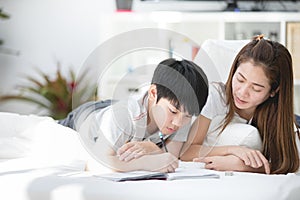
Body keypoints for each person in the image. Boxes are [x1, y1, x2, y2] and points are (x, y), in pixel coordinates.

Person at [59, 58, 208, 173]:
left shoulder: (181, 114)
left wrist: (152, 148)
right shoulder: (123, 116)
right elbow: (94, 163)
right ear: (153, 93)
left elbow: (172, 155)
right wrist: (146, 163)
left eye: (188, 116)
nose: (178, 123)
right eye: (173, 112)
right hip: (83, 120)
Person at [180, 35, 300, 174]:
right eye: (240, 79)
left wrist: (241, 165)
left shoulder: (276, 113)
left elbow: (290, 163)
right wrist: (233, 150)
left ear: (274, 91)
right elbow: (187, 151)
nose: (242, 93)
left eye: (256, 88)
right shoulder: (216, 96)